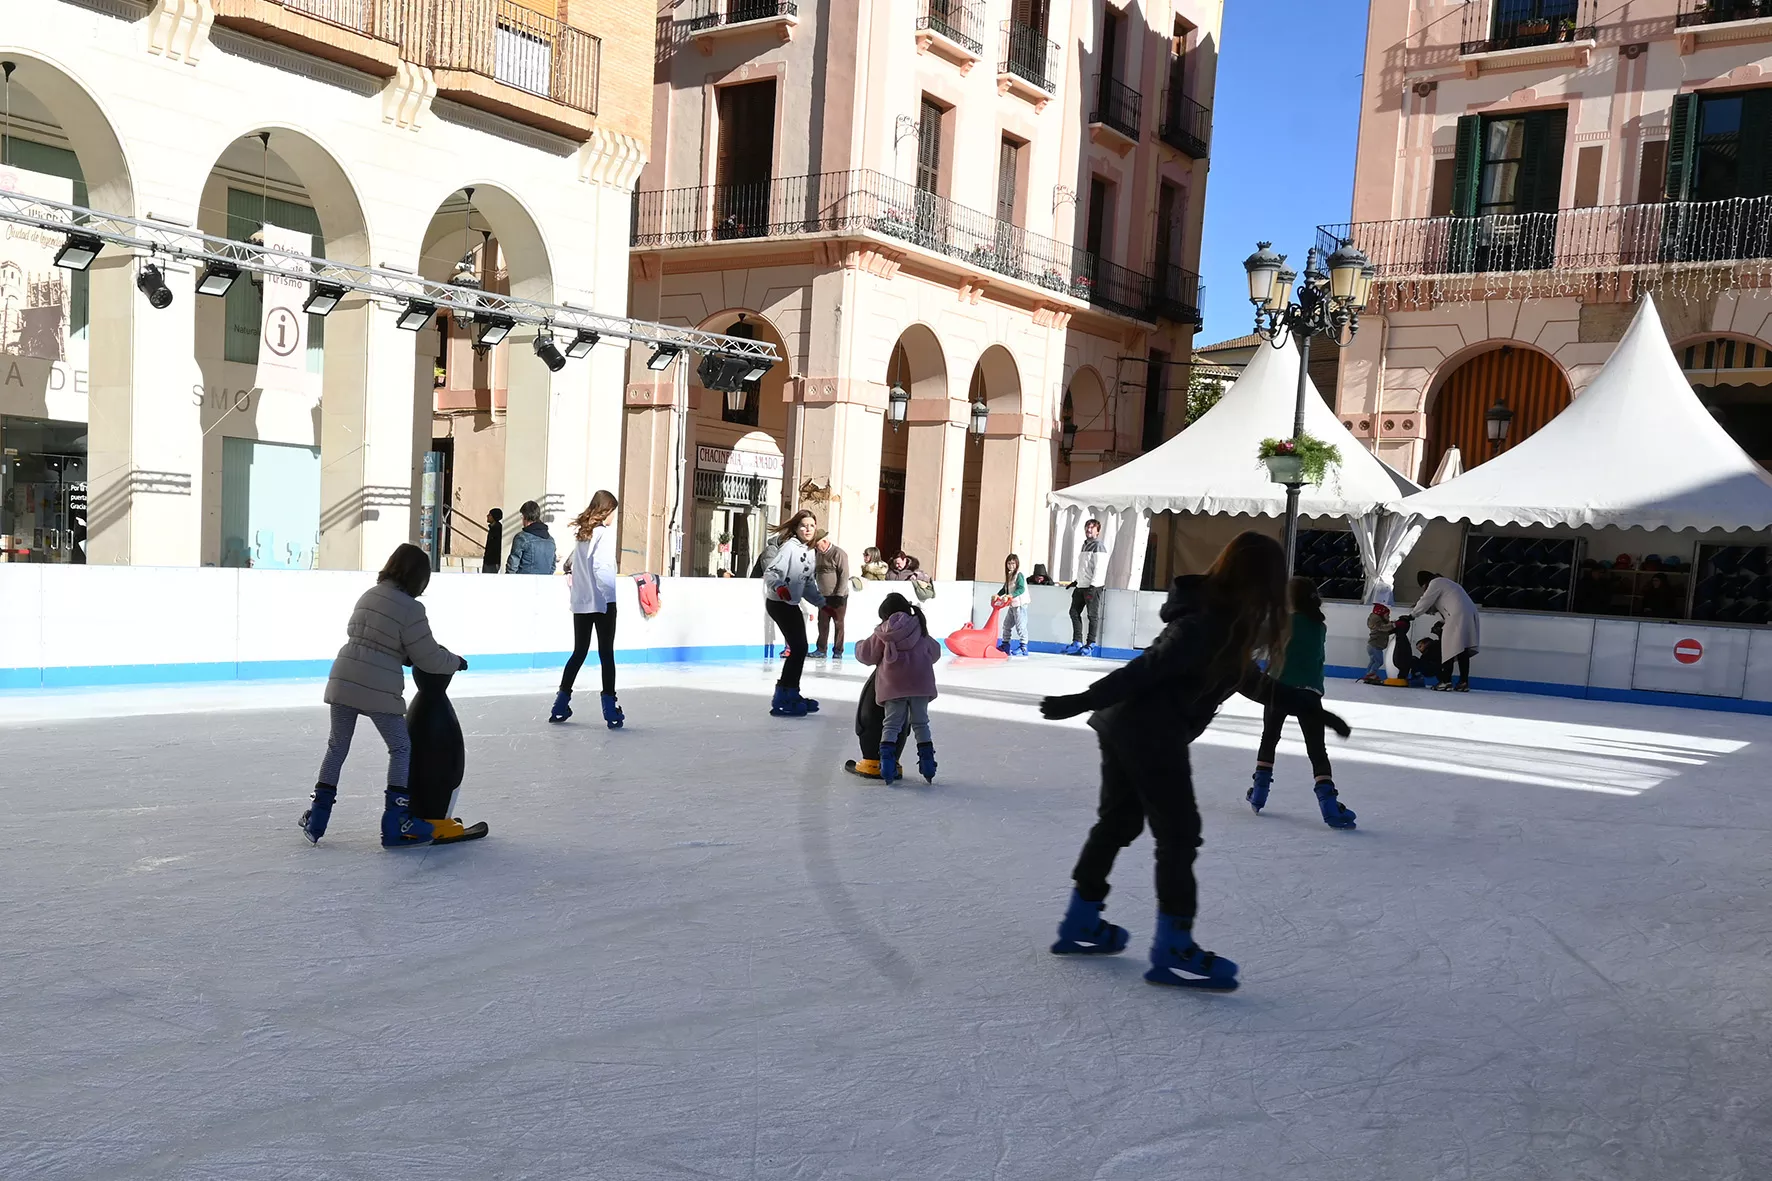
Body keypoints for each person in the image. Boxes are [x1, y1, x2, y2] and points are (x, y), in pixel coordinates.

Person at [1037, 532, 1352, 990]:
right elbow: (1147, 668)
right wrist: (1080, 699)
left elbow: (1251, 682)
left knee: (1120, 822)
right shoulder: (1206, 624)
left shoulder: (1224, 619)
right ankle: (1173, 946)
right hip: (1149, 730)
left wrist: (1314, 709)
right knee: (1179, 834)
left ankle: (1081, 920)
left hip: (1125, 725)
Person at [303, 542, 467, 849]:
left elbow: (373, 637)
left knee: (337, 747)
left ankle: (317, 816)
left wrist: (400, 652)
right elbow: (429, 657)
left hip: (344, 676)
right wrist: (455, 661)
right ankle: (397, 821)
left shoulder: (370, 594)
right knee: (401, 748)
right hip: (377, 685)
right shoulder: (411, 608)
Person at [1249, 578, 1357, 830]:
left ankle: (1259, 793)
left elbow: (1255, 643)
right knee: (1317, 749)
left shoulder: (1281, 621)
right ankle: (1330, 806)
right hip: (1310, 692)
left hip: (1278, 688)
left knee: (1269, 738)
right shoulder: (1320, 626)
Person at [551, 490, 623, 728]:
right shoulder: (602, 534)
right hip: (601, 602)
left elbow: (572, 565)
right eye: (614, 511)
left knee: (579, 651)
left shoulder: (583, 534)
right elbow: (602, 568)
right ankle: (610, 709)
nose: (614, 516)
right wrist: (607, 598)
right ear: (607, 510)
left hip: (581, 602)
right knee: (606, 655)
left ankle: (560, 703)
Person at [855, 592, 942, 784]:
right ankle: (928, 764)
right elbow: (934, 652)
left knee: (892, 724)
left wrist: (858, 646)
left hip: (893, 687)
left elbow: (867, 655)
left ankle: (887, 765)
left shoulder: (883, 631)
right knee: (921, 723)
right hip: (920, 685)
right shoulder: (919, 627)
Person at [763, 509, 826, 716]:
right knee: (798, 648)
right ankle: (783, 697)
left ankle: (790, 692)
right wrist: (779, 587)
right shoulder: (789, 547)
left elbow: (807, 583)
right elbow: (771, 572)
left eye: (811, 526)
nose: (807, 529)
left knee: (800, 648)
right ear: (796, 529)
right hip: (778, 603)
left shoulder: (810, 551)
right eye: (803, 526)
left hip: (791, 603)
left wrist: (821, 603)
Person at [1406, 570, 1479, 691]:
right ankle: (1464, 682)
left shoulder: (1435, 583)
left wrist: (1412, 615)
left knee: (1448, 649)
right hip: (1469, 614)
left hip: (1457, 616)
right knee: (1462, 650)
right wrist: (1443, 622)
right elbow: (1449, 605)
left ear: (1425, 583)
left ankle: (1446, 681)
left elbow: (1425, 600)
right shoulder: (1449, 584)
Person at [1065, 518, 1107, 656]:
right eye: (1087, 527)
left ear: (1098, 531)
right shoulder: (1084, 545)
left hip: (1092, 586)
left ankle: (1090, 644)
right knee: (1074, 612)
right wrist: (1077, 581)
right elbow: (1085, 568)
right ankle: (1077, 641)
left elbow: (1099, 569)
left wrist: (1093, 587)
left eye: (1092, 528)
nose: (1089, 530)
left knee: (1092, 615)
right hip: (1081, 585)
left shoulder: (1098, 546)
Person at [811, 530, 852, 659]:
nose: (815, 547)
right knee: (822, 623)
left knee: (838, 623)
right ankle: (821, 649)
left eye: (816, 544)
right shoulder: (817, 554)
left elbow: (844, 575)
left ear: (824, 541)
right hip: (823, 596)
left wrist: (839, 594)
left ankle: (838, 651)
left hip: (838, 596)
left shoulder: (838, 553)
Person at [505, 500, 557, 575]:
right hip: (544, 584)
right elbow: (552, 567)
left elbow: (512, 567)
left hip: (524, 584)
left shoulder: (522, 538)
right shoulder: (551, 540)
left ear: (525, 517)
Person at [994, 553, 1029, 657]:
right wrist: (998, 595)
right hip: (1012, 604)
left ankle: (1023, 647)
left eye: (1013, 563)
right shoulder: (1010, 575)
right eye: (1009, 563)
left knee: (1020, 626)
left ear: (1017, 564)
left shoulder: (1019, 575)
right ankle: (1005, 645)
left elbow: (1021, 589)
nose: (1011, 565)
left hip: (1020, 604)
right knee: (1006, 625)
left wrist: (1010, 595)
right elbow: (1005, 588)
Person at [1362, 601, 1391, 683]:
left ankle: (1368, 674)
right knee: (1379, 661)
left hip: (1372, 645)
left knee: (1373, 661)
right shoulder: (1378, 625)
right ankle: (1371, 674)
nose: (1389, 617)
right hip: (1375, 646)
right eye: (1387, 616)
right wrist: (1393, 625)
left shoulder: (1377, 623)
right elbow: (1383, 628)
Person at [481, 507, 503, 575]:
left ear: (494, 517)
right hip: (488, 560)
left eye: (490, 515)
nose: (487, 516)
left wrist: (496, 562)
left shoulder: (497, 529)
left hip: (492, 562)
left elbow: (496, 547)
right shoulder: (493, 528)